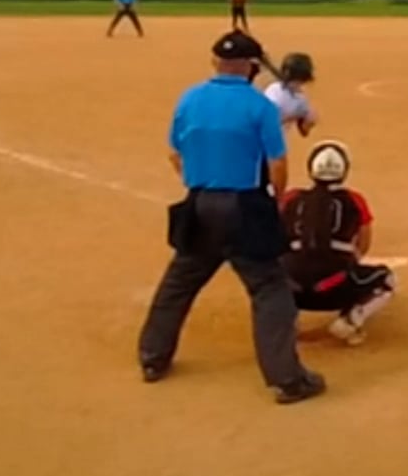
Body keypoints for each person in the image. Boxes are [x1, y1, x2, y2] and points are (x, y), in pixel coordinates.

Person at [136, 31, 325, 404]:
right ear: (252, 67)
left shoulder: (190, 98)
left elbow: (174, 153)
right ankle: (287, 379)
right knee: (270, 288)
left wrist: (199, 183)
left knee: (180, 282)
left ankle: (153, 358)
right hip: (244, 205)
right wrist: (275, 201)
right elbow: (277, 162)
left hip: (199, 202)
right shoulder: (259, 106)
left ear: (214, 62)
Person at [280, 141, 395, 347]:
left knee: (268, 274)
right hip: (335, 288)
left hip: (291, 288)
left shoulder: (291, 198)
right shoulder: (354, 200)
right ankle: (350, 321)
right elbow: (363, 243)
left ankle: (285, 321)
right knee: (387, 280)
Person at [264, 52, 318, 137]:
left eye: (301, 81)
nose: (298, 84)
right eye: (296, 80)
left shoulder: (300, 98)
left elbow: (304, 132)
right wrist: (294, 116)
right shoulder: (274, 91)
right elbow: (267, 121)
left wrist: (309, 123)